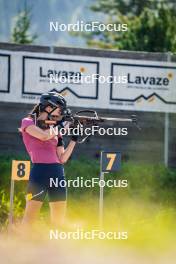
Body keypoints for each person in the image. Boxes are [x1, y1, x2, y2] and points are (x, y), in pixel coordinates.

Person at [20, 92, 77, 228]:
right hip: (39, 173)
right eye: (59, 107)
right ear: (48, 106)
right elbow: (43, 136)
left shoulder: (55, 128)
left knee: (59, 219)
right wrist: (62, 126)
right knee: (30, 217)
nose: (61, 111)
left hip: (57, 173)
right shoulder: (27, 122)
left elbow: (62, 158)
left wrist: (74, 139)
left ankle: (54, 247)